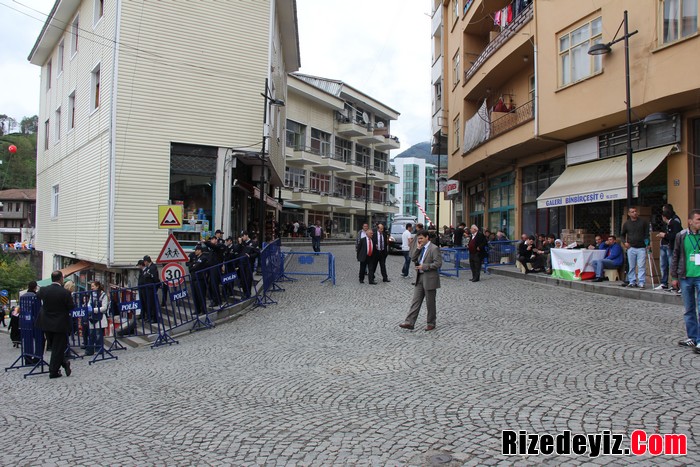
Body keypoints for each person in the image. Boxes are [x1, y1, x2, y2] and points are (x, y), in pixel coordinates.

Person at [399, 230, 443, 331]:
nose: (419, 240)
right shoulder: (421, 247)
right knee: (416, 301)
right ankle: (410, 322)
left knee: (430, 302)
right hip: (419, 278)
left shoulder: (434, 248)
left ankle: (431, 322)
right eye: (418, 239)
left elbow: (438, 263)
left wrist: (425, 266)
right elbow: (413, 258)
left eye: (421, 238)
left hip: (430, 278)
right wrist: (418, 249)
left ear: (427, 237)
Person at [36, 271, 75, 379]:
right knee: (58, 348)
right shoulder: (65, 293)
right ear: (61, 279)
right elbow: (71, 306)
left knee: (54, 347)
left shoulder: (44, 290)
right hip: (60, 323)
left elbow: (37, 296)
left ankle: (64, 363)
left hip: (46, 322)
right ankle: (53, 371)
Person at [671, 209, 700, 351]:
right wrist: (674, 276)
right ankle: (693, 337)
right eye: (698, 220)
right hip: (686, 276)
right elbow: (675, 255)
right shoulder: (681, 236)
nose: (699, 222)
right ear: (690, 221)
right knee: (689, 309)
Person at [620, 207, 650, 288]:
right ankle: (632, 281)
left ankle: (641, 281)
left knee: (641, 266)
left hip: (641, 247)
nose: (634, 213)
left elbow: (647, 234)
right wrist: (624, 242)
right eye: (632, 212)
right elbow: (622, 235)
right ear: (629, 214)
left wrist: (648, 243)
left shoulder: (643, 222)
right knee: (631, 266)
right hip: (631, 247)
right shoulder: (627, 224)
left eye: (635, 211)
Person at [656, 204, 682, 290]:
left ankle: (675, 284)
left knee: (672, 266)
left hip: (670, 246)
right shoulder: (668, 223)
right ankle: (664, 283)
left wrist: (665, 235)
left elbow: (675, 235)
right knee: (664, 265)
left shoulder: (675, 221)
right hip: (664, 245)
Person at [85, 281, 109, 356]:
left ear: (97, 286)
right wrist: (89, 307)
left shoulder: (103, 295)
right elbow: (89, 302)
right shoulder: (92, 294)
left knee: (99, 334)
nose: (91, 288)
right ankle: (90, 350)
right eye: (91, 286)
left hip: (100, 317)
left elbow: (104, 307)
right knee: (91, 334)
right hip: (92, 317)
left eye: (93, 286)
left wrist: (94, 310)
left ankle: (99, 349)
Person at [187, 244, 209, 315]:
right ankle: (197, 310)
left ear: (200, 250)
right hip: (193, 278)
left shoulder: (203, 257)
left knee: (201, 295)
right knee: (195, 296)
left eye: (196, 250)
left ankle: (203, 310)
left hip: (200, 279)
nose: (195, 252)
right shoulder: (195, 258)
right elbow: (190, 266)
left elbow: (196, 267)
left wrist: (193, 266)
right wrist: (192, 265)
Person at [140, 255, 160, 322]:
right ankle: (150, 317)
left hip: (151, 288)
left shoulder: (153, 267)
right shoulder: (148, 268)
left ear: (146, 261)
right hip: (147, 288)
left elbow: (155, 278)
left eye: (145, 262)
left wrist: (155, 287)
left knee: (152, 303)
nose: (144, 263)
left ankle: (154, 318)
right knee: (149, 303)